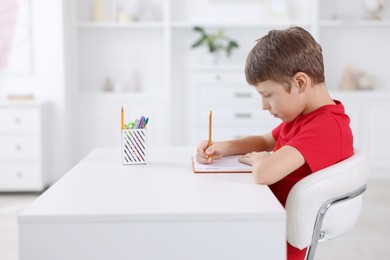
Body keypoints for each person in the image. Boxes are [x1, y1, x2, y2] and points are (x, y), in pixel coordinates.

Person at [196, 26, 354, 260]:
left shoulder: (326, 127)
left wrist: (262, 160)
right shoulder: (303, 116)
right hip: (265, 221)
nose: (263, 106)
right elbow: (264, 141)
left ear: (300, 82)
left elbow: (264, 173)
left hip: (276, 241)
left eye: (267, 95)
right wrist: (223, 146)